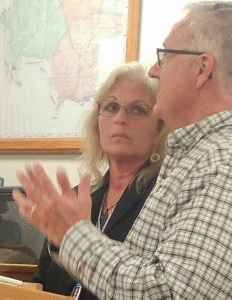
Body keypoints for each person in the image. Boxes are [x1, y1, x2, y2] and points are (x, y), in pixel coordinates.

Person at [13, 2, 232, 299]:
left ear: (201, 69)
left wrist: (73, 235)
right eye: (110, 107)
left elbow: (169, 293)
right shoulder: (203, 155)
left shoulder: (226, 164)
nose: (155, 70)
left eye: (165, 56)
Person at [31, 61, 169, 298]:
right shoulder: (74, 198)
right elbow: (42, 282)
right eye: (111, 106)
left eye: (138, 109)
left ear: (159, 128)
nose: (120, 118)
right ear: (97, 123)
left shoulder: (163, 198)